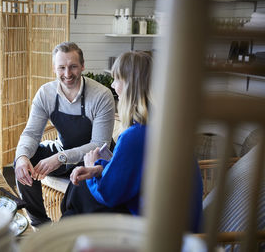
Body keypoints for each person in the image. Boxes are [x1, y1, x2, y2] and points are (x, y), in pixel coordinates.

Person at [61, 51, 203, 233]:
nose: (112, 85)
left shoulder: (137, 135)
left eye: (116, 79)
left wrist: (92, 164)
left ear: (130, 84)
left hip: (159, 233)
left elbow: (109, 194)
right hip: (180, 224)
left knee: (79, 193)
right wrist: (99, 169)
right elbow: (139, 173)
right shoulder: (169, 126)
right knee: (79, 196)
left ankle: (62, 235)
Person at [14, 42, 116, 226]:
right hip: (63, 147)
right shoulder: (45, 93)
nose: (67, 74)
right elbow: (31, 133)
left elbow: (99, 144)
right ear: (54, 68)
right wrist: (22, 157)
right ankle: (40, 223)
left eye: (73, 67)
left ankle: (67, 231)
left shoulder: (101, 95)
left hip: (94, 157)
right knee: (24, 160)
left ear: (83, 66)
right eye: (61, 67)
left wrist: (60, 158)